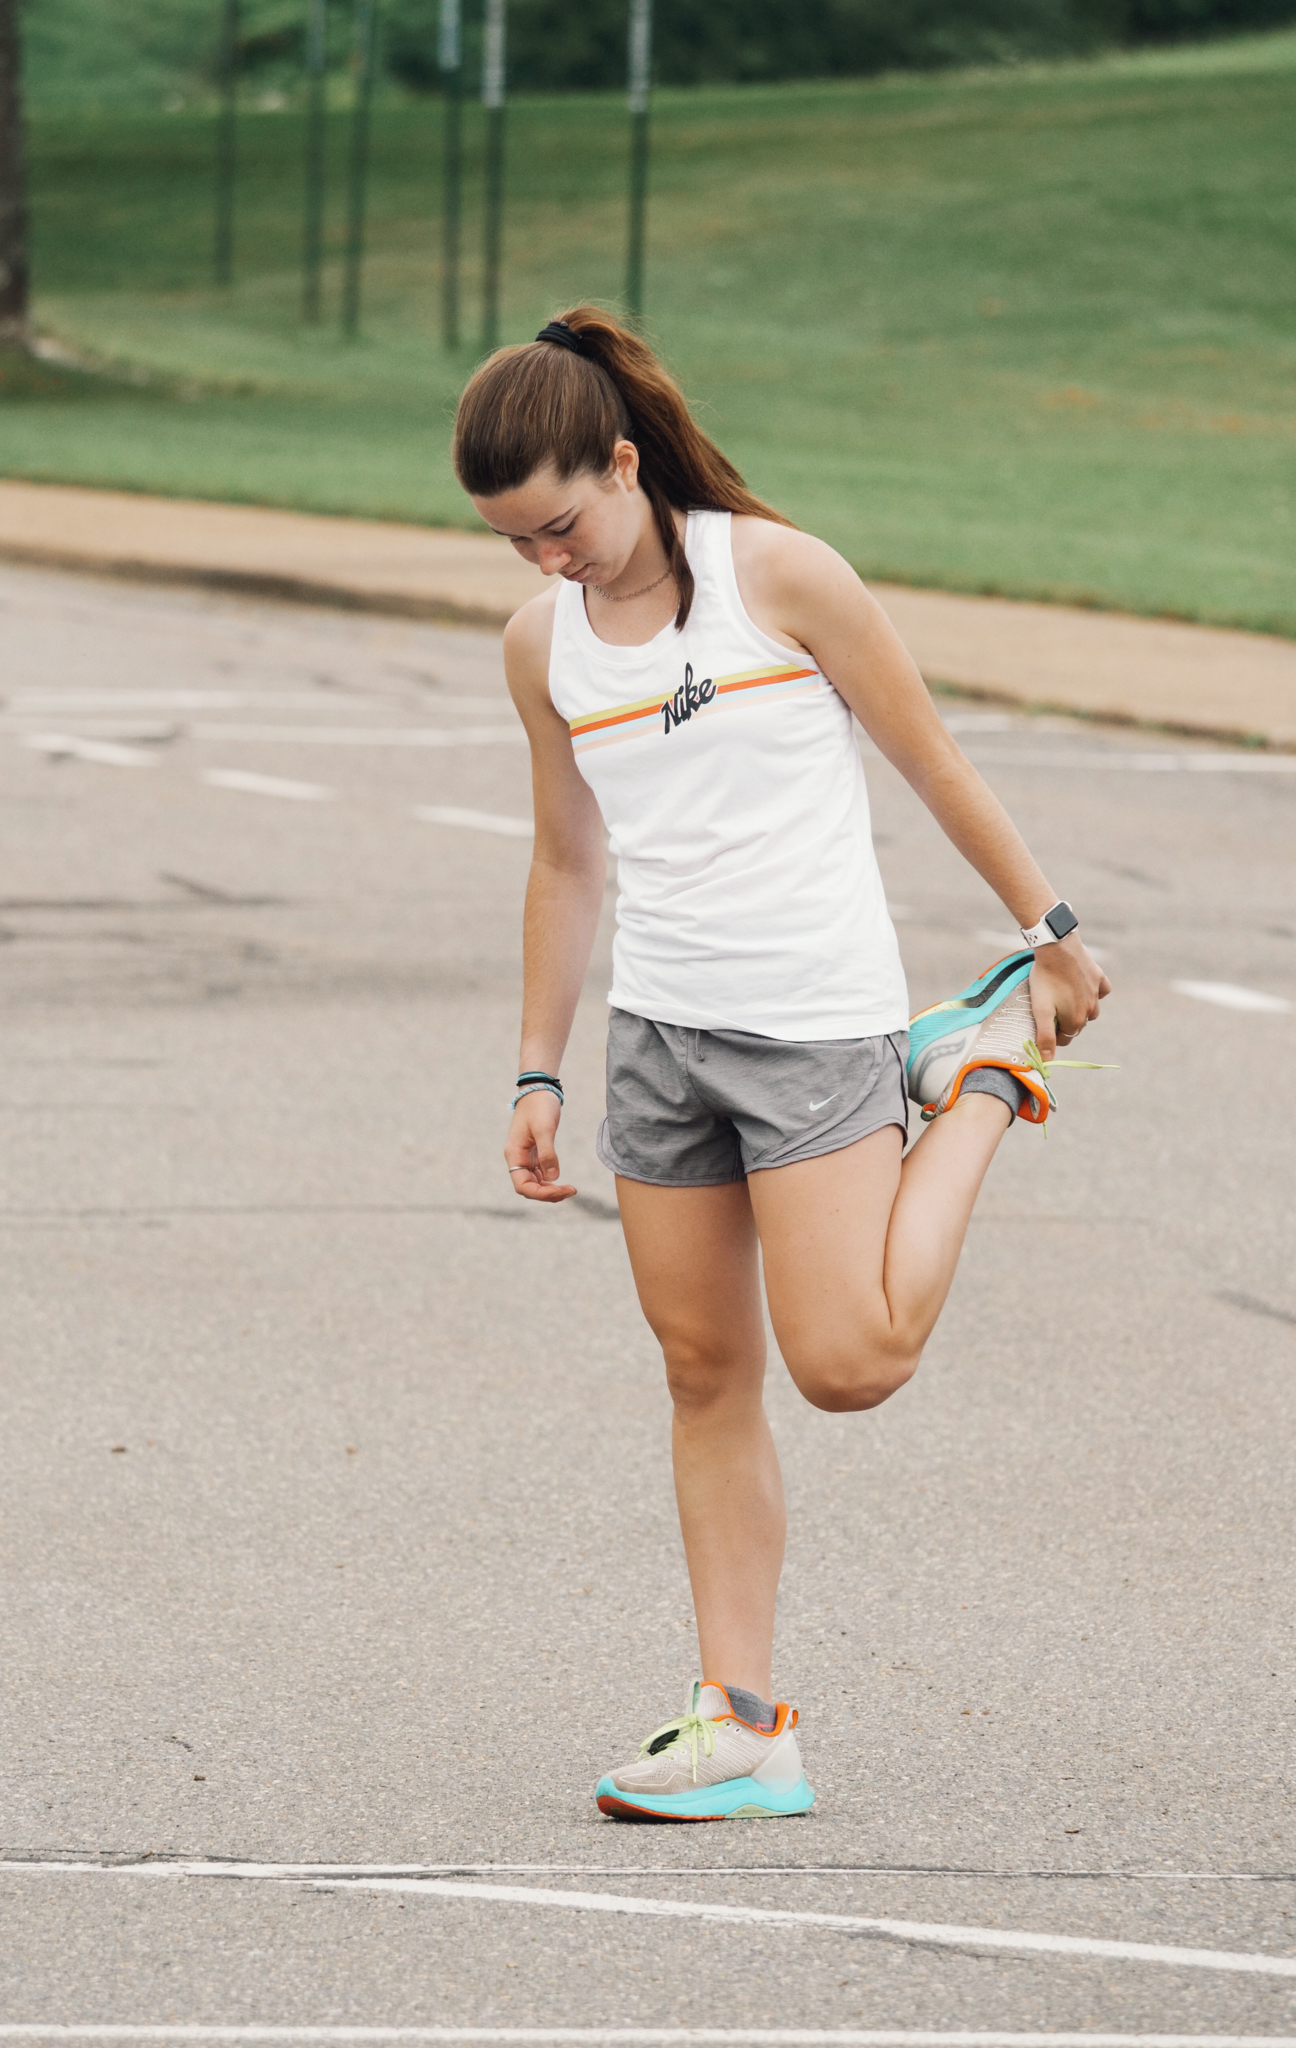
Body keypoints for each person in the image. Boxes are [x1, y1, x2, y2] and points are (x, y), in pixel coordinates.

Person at [452, 307, 1110, 1823]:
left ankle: (984, 1070)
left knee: (851, 1364)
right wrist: (537, 1071)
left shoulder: (781, 578)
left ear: (625, 466)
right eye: (513, 542)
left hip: (813, 1023)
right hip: (659, 1044)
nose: (546, 561)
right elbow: (565, 861)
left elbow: (932, 756)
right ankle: (742, 1727)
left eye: (560, 525)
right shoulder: (543, 644)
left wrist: (1050, 935)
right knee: (704, 1374)